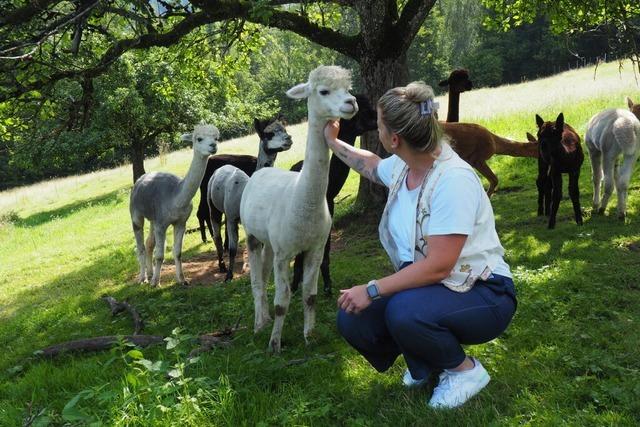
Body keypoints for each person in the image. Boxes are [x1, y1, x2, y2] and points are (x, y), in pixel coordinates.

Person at [324, 81, 517, 409]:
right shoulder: (405, 165)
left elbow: (439, 265)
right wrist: (332, 141)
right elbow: (370, 165)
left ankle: (463, 370)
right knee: (353, 319)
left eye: (380, 124)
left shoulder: (452, 181)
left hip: (484, 292)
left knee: (403, 310)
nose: (379, 131)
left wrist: (372, 289)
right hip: (435, 287)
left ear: (394, 139)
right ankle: (426, 361)